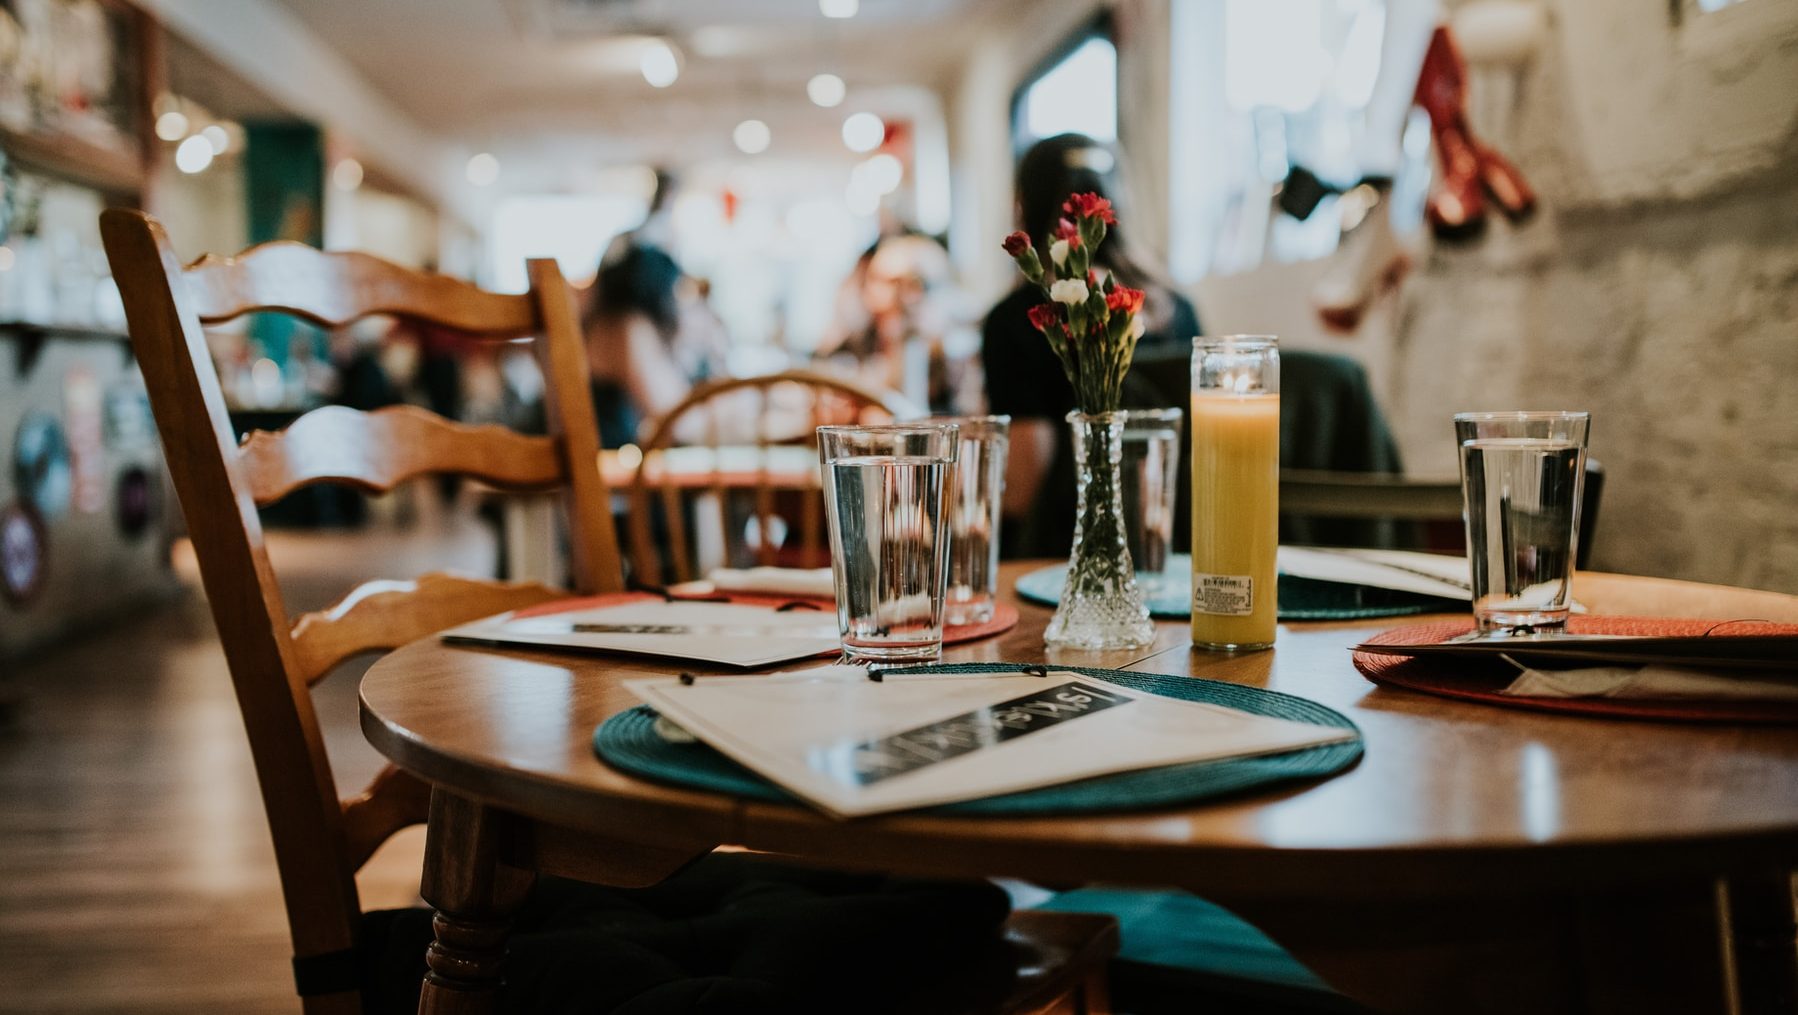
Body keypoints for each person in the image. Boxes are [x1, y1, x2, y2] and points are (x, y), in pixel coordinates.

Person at [982, 133, 1201, 559]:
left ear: (1022, 204)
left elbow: (1025, 489)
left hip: (1064, 562)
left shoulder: (1018, 320)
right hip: (1177, 550)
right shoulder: (1178, 309)